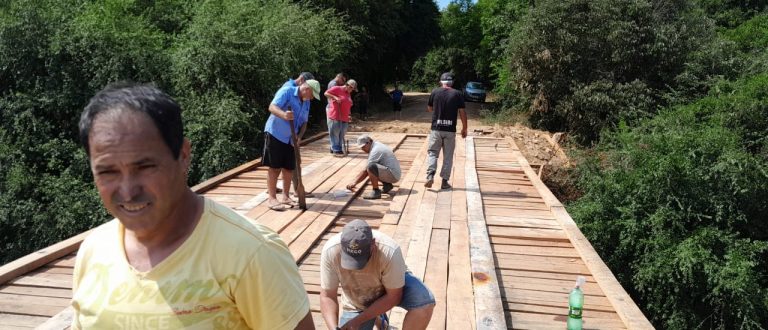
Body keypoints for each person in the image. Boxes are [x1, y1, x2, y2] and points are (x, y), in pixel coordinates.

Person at [71, 83, 314, 329]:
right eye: (107, 172)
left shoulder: (252, 254)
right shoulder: (93, 250)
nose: (127, 191)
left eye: (145, 167)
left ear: (184, 155)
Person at [320, 220, 435, 330]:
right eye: (350, 259)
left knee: (424, 303)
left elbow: (394, 296)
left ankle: (375, 315)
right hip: (357, 298)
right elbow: (327, 296)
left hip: (391, 287)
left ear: (373, 244)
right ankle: (378, 319)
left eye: (361, 259)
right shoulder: (330, 251)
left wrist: (357, 321)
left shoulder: (389, 250)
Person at [264, 78, 322, 210]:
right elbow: (272, 107)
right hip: (275, 133)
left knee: (289, 167)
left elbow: (304, 122)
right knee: (275, 167)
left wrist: (300, 137)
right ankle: (272, 199)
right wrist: (284, 115)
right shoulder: (287, 91)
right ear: (307, 89)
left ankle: (285, 196)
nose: (312, 98)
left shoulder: (306, 102)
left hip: (291, 138)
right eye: (312, 95)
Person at [424, 72, 467, 190]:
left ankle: (430, 175)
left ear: (440, 82)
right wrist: (464, 128)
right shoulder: (457, 94)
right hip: (450, 131)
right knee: (448, 156)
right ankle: (444, 182)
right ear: (452, 83)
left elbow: (429, 108)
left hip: (436, 130)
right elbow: (462, 112)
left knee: (433, 153)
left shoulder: (434, 92)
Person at [346, 135, 401, 200]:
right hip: (394, 173)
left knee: (371, 167)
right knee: (374, 167)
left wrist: (354, 182)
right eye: (361, 148)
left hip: (393, 175)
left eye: (363, 147)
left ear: (368, 142)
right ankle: (387, 185)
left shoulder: (375, 150)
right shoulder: (376, 145)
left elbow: (366, 170)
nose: (362, 149)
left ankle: (376, 191)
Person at [325, 79, 357, 157]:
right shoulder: (337, 88)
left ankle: (335, 148)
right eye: (352, 89)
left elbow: (348, 105)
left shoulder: (348, 93)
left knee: (341, 133)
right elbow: (326, 93)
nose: (352, 91)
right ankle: (336, 149)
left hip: (344, 117)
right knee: (335, 132)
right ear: (348, 86)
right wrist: (335, 97)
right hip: (335, 115)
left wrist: (349, 114)